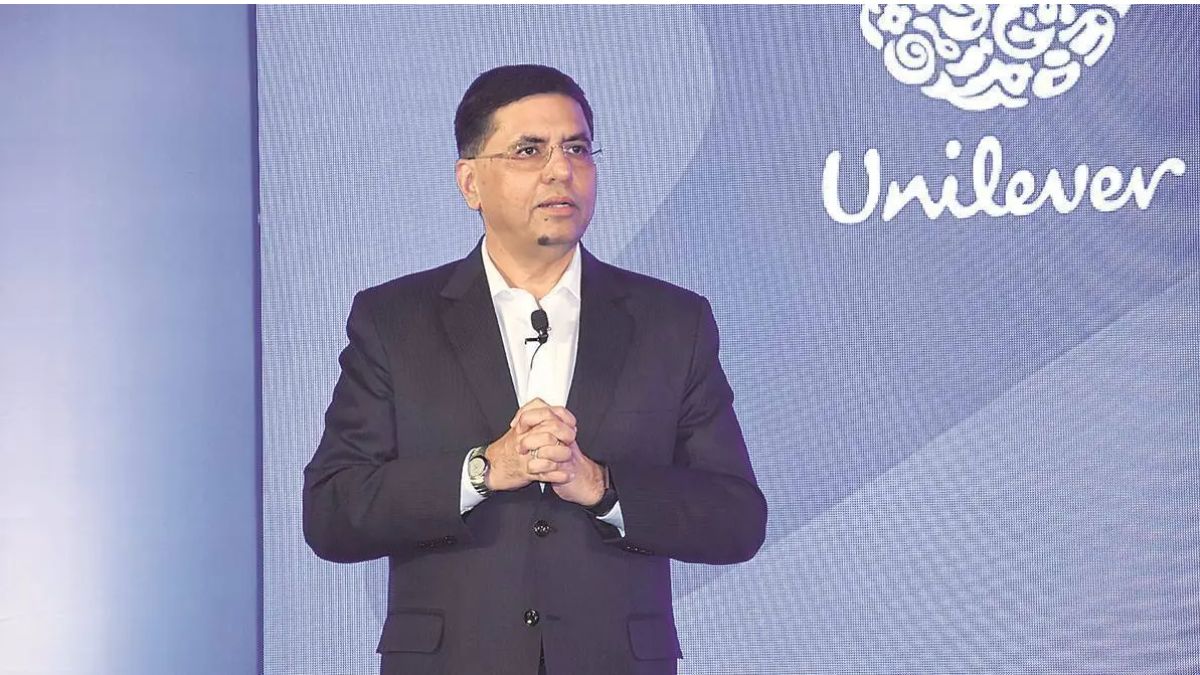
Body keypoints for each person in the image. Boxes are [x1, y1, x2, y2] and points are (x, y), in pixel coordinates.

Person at [303, 63, 767, 675]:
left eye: (576, 148)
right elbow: (332, 512)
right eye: (529, 151)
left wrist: (602, 486)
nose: (560, 170)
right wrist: (482, 471)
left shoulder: (672, 322)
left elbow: (736, 519)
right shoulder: (394, 320)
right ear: (470, 182)